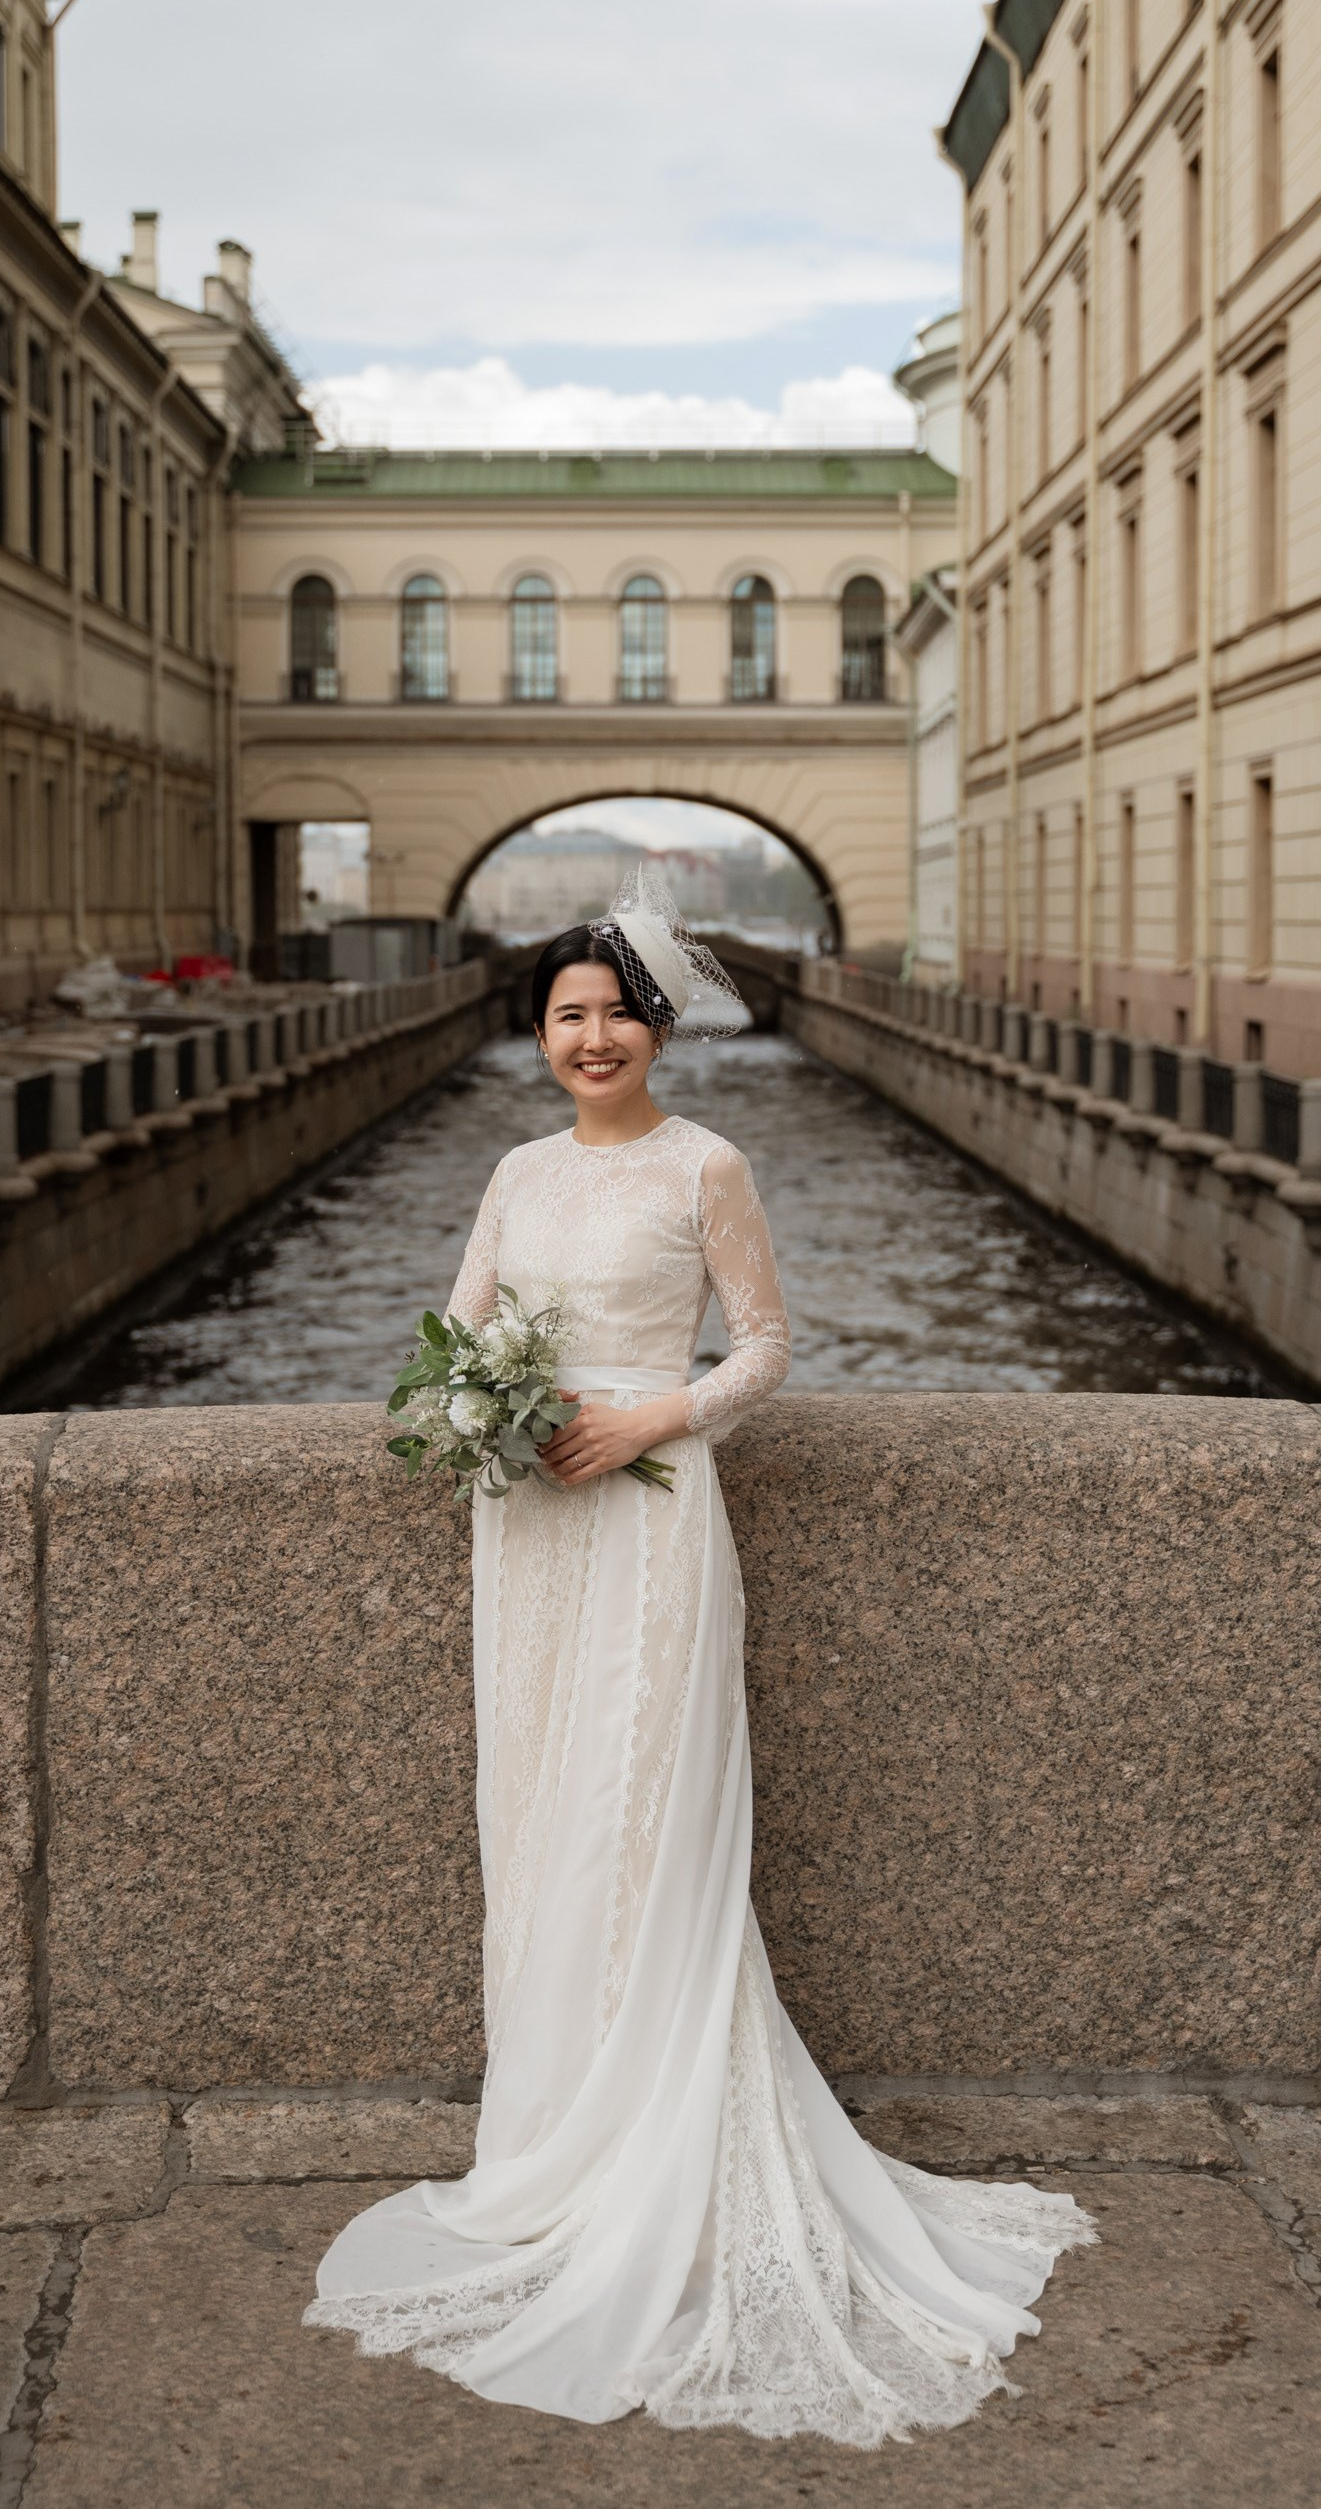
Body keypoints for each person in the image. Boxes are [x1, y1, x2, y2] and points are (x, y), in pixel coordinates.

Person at [308, 873, 1094, 2445]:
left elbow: (769, 1348)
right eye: (564, 1016)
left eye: (614, 1013)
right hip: (527, 1528)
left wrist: (652, 1413)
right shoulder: (518, 1174)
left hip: (656, 1514)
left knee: (641, 1810)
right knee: (536, 1806)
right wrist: (489, 1417)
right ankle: (547, 2136)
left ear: (657, 1026)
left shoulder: (707, 1164)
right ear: (538, 1035)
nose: (591, 1038)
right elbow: (453, 1335)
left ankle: (657, 2144)